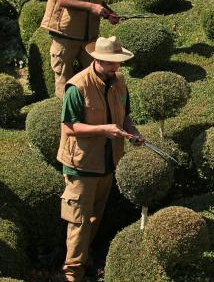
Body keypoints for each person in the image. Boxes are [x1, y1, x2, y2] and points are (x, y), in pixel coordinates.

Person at [57, 36, 143, 282]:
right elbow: (69, 127)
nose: (116, 68)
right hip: (81, 165)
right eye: (111, 63)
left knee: (95, 217)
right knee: (79, 222)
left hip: (108, 163)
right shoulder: (78, 86)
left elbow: (124, 116)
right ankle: (72, 273)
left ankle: (83, 257)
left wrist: (134, 133)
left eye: (118, 63)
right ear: (97, 60)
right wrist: (104, 130)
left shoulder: (119, 82)